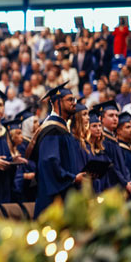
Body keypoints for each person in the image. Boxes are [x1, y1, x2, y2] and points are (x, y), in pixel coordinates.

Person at [26, 83, 85, 217]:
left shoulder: (62, 127)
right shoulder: (52, 129)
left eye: (74, 99)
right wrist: (73, 179)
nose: (74, 103)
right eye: (70, 100)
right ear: (57, 103)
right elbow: (49, 161)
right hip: (53, 199)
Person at [92, 100, 131, 193]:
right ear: (101, 118)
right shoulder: (102, 139)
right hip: (110, 186)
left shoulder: (114, 139)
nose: (115, 119)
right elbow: (110, 165)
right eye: (111, 115)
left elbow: (123, 164)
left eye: (116, 115)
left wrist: (128, 180)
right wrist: (125, 183)